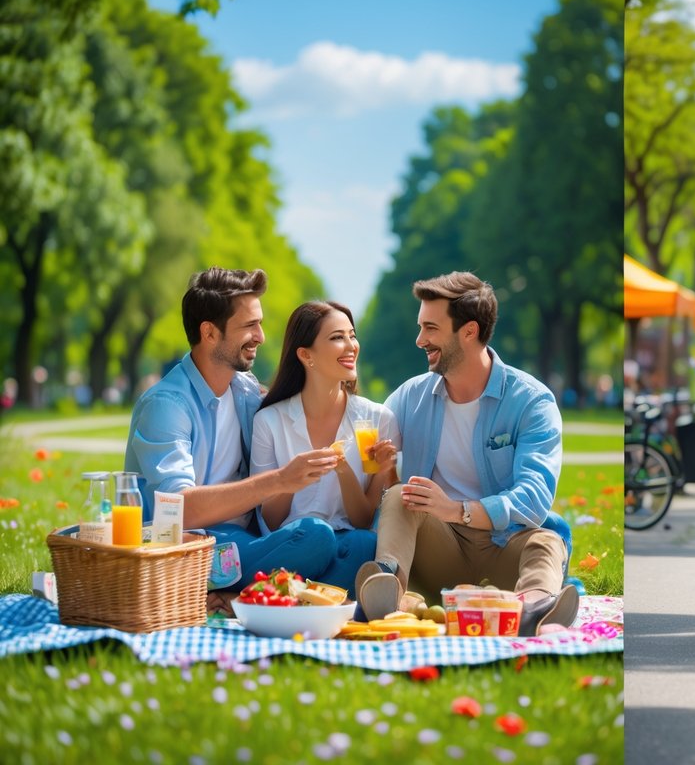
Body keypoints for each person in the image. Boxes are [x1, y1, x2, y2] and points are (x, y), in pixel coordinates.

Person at [356, 271, 578, 636]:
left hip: (501, 543)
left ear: (469, 331)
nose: (419, 340)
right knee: (400, 496)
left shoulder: (530, 401)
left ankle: (535, 607)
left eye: (430, 329)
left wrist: (456, 509)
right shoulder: (410, 397)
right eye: (420, 327)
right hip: (438, 550)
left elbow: (535, 497)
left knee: (548, 537)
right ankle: (388, 593)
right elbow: (363, 437)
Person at [125, 267, 343, 591]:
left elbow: (296, 404)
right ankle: (234, 594)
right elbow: (178, 508)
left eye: (260, 323)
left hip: (241, 542)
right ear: (209, 333)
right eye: (250, 325)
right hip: (184, 549)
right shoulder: (166, 405)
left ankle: (238, 596)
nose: (261, 336)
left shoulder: (243, 390)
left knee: (362, 545)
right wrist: (280, 480)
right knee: (316, 538)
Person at [249, 301, 401, 593]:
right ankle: (320, 600)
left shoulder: (376, 420)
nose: (351, 346)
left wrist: (351, 470)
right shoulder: (270, 421)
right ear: (306, 355)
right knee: (317, 535)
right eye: (337, 337)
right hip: (295, 542)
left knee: (364, 542)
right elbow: (271, 518)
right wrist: (289, 480)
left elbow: (362, 519)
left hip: (344, 543)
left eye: (352, 335)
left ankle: (293, 599)